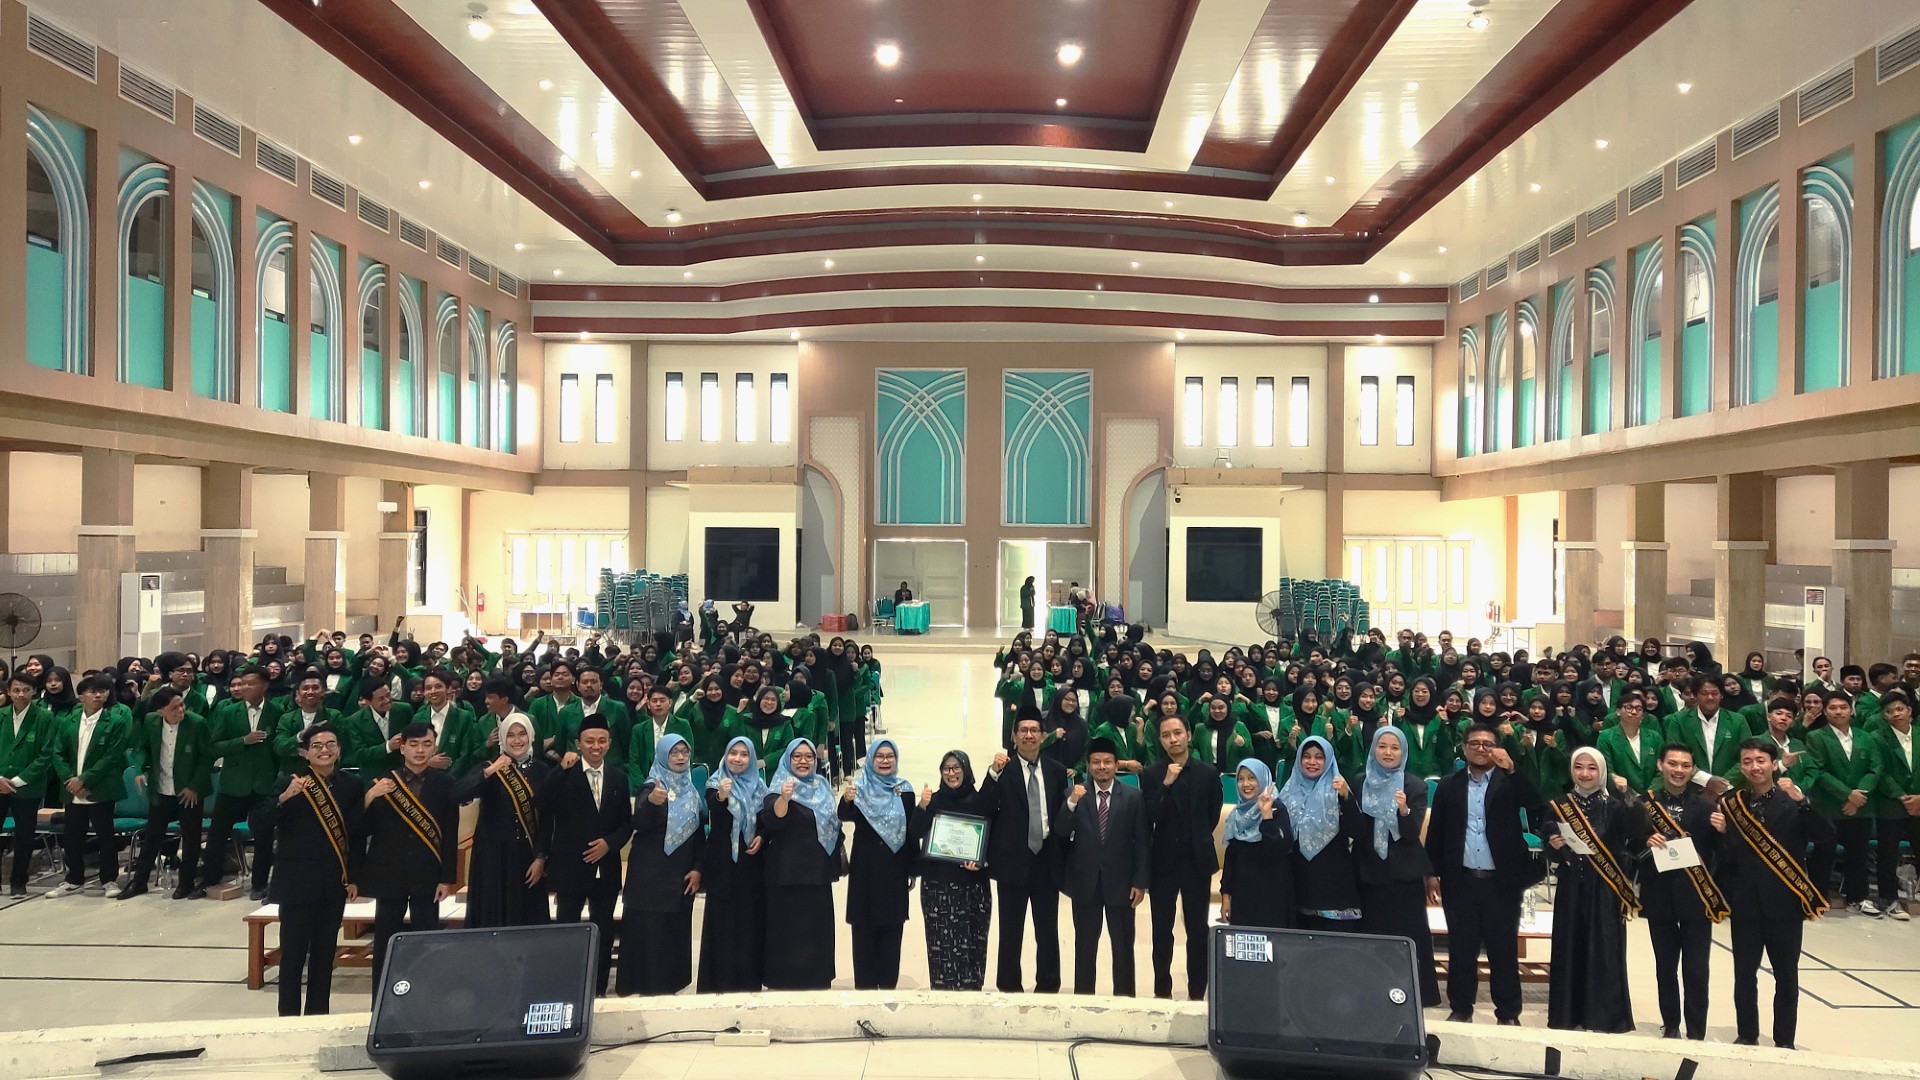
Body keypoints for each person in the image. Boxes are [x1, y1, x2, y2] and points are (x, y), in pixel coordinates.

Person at [1714, 737, 1833, 1049]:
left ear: (1773, 763)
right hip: (1745, 904)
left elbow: (1825, 835)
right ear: (1741, 766)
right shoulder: (1732, 804)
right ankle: (1747, 1033)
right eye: (1747, 761)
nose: (1754, 767)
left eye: (1760, 761)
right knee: (1744, 975)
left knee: (1787, 978)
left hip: (1785, 905)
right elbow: (1728, 858)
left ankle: (1784, 1041)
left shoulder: (1791, 799)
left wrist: (1803, 802)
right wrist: (1723, 834)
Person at [1424, 722, 1545, 1025]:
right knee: (1461, 948)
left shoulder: (1509, 781)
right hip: (1461, 880)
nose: (1481, 748)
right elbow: (1436, 832)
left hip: (1502, 882)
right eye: (1474, 743)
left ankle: (1508, 1012)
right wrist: (1432, 874)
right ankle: (1461, 1007)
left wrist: (1513, 770)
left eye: (1488, 744)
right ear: (1464, 749)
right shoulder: (1449, 785)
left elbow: (1536, 805)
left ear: (1497, 748)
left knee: (1503, 949)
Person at [1542, 747, 1641, 1033]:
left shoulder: (1615, 805)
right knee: (1569, 946)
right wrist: (1555, 846)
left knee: (1604, 949)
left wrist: (1629, 795)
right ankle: (1568, 1014)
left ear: (1601, 772)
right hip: (1572, 886)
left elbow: (1635, 833)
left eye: (1591, 768)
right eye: (1579, 767)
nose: (1584, 774)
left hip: (1605, 889)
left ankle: (1604, 1017)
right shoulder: (1560, 804)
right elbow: (1549, 842)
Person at [270, 723, 363, 1016]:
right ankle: (287, 1019)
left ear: (339, 750)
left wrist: (354, 877)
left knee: (324, 958)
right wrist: (283, 799)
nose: (325, 750)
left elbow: (356, 836)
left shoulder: (351, 785)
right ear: (305, 753)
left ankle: (318, 1017)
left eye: (331, 744)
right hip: (296, 884)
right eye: (317, 746)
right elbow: (258, 822)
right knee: (293, 957)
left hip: (333, 883)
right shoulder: (289, 781)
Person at [1638, 742, 1728, 1040]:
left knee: (1697, 970)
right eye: (1673, 764)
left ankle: (1697, 1030)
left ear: (1693, 770)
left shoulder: (1707, 806)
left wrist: (1723, 832)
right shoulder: (1644, 804)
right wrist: (1644, 842)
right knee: (1665, 967)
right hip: (1659, 895)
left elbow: (1723, 854)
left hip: (1697, 897)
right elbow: (1628, 845)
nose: (1679, 770)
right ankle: (1671, 1024)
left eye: (1685, 765)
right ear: (1660, 765)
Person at [358, 722, 458, 983]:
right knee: (385, 941)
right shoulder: (383, 782)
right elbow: (360, 829)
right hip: (389, 873)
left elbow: (450, 834)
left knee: (426, 940)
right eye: (413, 744)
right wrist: (369, 797)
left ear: (435, 747)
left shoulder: (446, 784)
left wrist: (447, 878)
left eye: (426, 744)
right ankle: (381, 997)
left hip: (428, 874)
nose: (420, 750)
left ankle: (425, 995)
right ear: (402, 748)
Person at [980, 713, 1071, 992]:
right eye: (1023, 730)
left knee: (1047, 929)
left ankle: (1049, 983)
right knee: (1010, 929)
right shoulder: (1002, 771)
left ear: (1043, 736)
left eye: (1034, 730)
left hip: (1046, 860)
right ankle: (1008, 984)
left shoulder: (1056, 771)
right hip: (1012, 862)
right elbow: (984, 808)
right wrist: (992, 774)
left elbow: (1062, 817)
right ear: (1014, 736)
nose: (1029, 735)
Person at [543, 715, 632, 996]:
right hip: (570, 867)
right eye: (590, 741)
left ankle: (598, 988)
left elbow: (626, 824)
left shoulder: (619, 778)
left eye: (602, 741)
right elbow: (542, 802)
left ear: (609, 743)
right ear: (578, 744)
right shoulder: (565, 774)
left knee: (603, 930)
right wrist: (559, 769)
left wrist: (609, 843)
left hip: (606, 868)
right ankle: (566, 987)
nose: (596, 746)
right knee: (567, 929)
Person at [1053, 737, 1149, 996]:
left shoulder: (1133, 797)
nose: (1102, 767)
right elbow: (1061, 831)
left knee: (1123, 947)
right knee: (1085, 947)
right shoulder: (1075, 794)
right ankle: (1083, 1000)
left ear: (1116, 765)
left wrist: (1140, 882)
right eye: (1096, 762)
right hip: (1085, 884)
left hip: (1122, 884)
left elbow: (1142, 841)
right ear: (1088, 765)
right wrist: (1071, 803)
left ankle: (1125, 1000)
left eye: (1107, 762)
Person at [1356, 727, 1440, 1008]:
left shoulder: (1414, 786)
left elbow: (1412, 833)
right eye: (1382, 746)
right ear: (1373, 749)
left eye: (1395, 748)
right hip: (1368, 871)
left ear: (1403, 752)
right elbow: (1357, 829)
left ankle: (1416, 994)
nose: (1388, 753)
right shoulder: (1360, 782)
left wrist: (1403, 811)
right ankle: (1371, 992)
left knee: (1410, 935)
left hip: (1404, 874)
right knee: (1372, 936)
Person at [1142, 712, 1222, 1000]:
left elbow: (1212, 815)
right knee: (1162, 930)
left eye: (1177, 733)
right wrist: (1166, 785)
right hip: (1162, 862)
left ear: (1188, 735)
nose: (1173, 739)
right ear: (1160, 740)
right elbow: (1149, 815)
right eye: (1166, 735)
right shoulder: (1151, 774)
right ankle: (1162, 991)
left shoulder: (1207, 773)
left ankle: (1197, 992)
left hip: (1196, 861)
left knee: (1197, 930)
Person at [618, 733, 703, 996]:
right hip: (650, 876)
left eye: (684, 752)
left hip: (680, 876)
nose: (680, 757)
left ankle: (670, 985)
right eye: (674, 753)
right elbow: (639, 824)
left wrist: (698, 868)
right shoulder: (650, 787)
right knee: (649, 932)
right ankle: (645, 986)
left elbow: (699, 835)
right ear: (663, 756)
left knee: (672, 932)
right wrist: (652, 804)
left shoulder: (692, 791)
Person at [455, 710, 553, 928]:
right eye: (510, 735)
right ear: (502, 738)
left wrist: (541, 858)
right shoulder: (489, 767)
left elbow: (547, 819)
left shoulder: (542, 770)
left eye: (522, 734)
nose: (517, 740)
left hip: (527, 855)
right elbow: (458, 794)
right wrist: (490, 770)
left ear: (531, 736)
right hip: (492, 857)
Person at [759, 738, 841, 990]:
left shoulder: (822, 785)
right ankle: (783, 980)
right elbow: (772, 819)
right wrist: (784, 798)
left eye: (808, 757)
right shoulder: (780, 786)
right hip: (788, 874)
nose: (803, 761)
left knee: (817, 930)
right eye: (797, 756)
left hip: (818, 872)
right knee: (787, 930)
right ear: (788, 760)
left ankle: (817, 978)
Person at [840, 737, 920, 990]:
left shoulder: (904, 790)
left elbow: (911, 830)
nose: (885, 761)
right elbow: (844, 815)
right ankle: (864, 988)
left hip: (894, 870)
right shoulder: (859, 789)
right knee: (863, 930)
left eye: (890, 756)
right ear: (871, 759)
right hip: (865, 870)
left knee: (892, 929)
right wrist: (847, 799)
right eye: (879, 756)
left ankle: (887, 987)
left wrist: (912, 868)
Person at [119, 687, 212, 900]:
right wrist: (139, 769)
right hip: (161, 787)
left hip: (188, 790)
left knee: (191, 838)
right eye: (174, 708)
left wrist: (194, 787)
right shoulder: (151, 721)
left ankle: (186, 883)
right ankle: (139, 882)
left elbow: (206, 758)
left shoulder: (197, 723)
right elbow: (142, 748)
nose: (181, 710)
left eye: (181, 705)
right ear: (161, 711)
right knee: (152, 836)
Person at [50, 673, 133, 896]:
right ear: (81, 696)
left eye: (102, 691)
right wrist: (70, 779)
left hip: (100, 786)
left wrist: (84, 779)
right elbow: (57, 753)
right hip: (72, 788)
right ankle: (74, 879)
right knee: (72, 836)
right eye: (92, 691)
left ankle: (109, 879)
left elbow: (111, 756)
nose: (98, 695)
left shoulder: (115, 721)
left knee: (105, 835)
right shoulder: (68, 721)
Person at [202, 665, 281, 900]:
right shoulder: (228, 712)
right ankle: (209, 880)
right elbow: (214, 746)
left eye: (250, 683)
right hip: (234, 782)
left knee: (264, 837)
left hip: (263, 783)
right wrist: (242, 741)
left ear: (264, 685)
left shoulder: (277, 711)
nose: (244, 687)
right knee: (217, 834)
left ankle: (259, 884)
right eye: (242, 683)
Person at [916, 749, 992, 991]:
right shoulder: (933, 800)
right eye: (947, 768)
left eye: (957, 767)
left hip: (973, 888)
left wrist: (981, 862)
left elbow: (992, 841)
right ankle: (943, 996)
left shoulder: (980, 801)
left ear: (966, 770)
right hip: (937, 887)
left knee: (972, 944)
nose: (952, 773)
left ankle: (972, 994)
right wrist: (922, 806)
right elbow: (915, 832)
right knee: (941, 946)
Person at [698, 736, 768, 993]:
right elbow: (712, 809)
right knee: (722, 924)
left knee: (749, 922)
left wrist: (762, 836)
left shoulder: (760, 787)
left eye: (744, 754)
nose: (738, 759)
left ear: (751, 759)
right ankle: (718, 983)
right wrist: (722, 796)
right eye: (733, 753)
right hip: (723, 866)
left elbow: (766, 820)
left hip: (751, 864)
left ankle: (748, 982)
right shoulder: (716, 782)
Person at [1804, 689, 1882, 915]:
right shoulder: (1816, 737)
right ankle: (1818, 898)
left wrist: (1859, 796)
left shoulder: (1866, 737)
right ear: (1825, 712)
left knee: (1858, 855)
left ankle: (1858, 898)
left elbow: (1876, 768)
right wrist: (1847, 795)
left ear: (1851, 710)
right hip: (1829, 806)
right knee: (1824, 854)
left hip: (1861, 807)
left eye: (1843, 707)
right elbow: (1819, 770)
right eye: (1833, 708)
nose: (1839, 711)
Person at [1279, 735, 1362, 931]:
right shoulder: (1287, 794)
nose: (1312, 762)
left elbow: (1358, 831)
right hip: (1298, 882)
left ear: (1329, 760)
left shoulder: (1338, 791)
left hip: (1333, 883)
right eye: (1306, 756)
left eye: (1319, 757)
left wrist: (1346, 798)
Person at [1220, 758, 1294, 928]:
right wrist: (1225, 895)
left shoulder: (1277, 809)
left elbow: (1280, 850)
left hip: (1273, 895)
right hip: (1243, 895)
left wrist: (1266, 816)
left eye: (1252, 778)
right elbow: (1231, 859)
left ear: (1263, 779)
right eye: (1241, 779)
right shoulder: (1237, 815)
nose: (1246, 784)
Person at [1, 671, 54, 897]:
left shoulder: (44, 717)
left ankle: (18, 881)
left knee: (24, 835)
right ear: (8, 692)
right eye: (16, 690)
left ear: (34, 691)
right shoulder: (1, 715)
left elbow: (46, 754)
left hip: (27, 786)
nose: (20, 694)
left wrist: (17, 780)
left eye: (25, 690)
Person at [1872, 688, 1918, 921]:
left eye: (1900, 709)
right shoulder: (1877, 738)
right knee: (1888, 854)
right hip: (1890, 805)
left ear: (1909, 710)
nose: (1896, 714)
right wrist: (1901, 796)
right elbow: (1880, 771)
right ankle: (1889, 899)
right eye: (1890, 711)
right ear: (1884, 716)